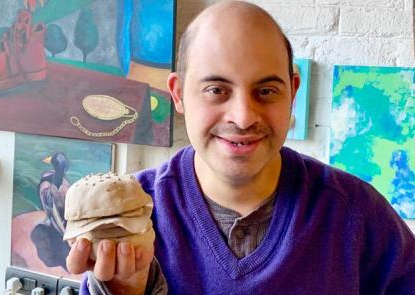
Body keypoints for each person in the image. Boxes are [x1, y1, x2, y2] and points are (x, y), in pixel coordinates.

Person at [66, 1, 415, 294]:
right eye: (216, 90)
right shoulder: (130, 217)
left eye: (266, 91)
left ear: (293, 92)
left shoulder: (357, 215)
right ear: (178, 94)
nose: (244, 117)